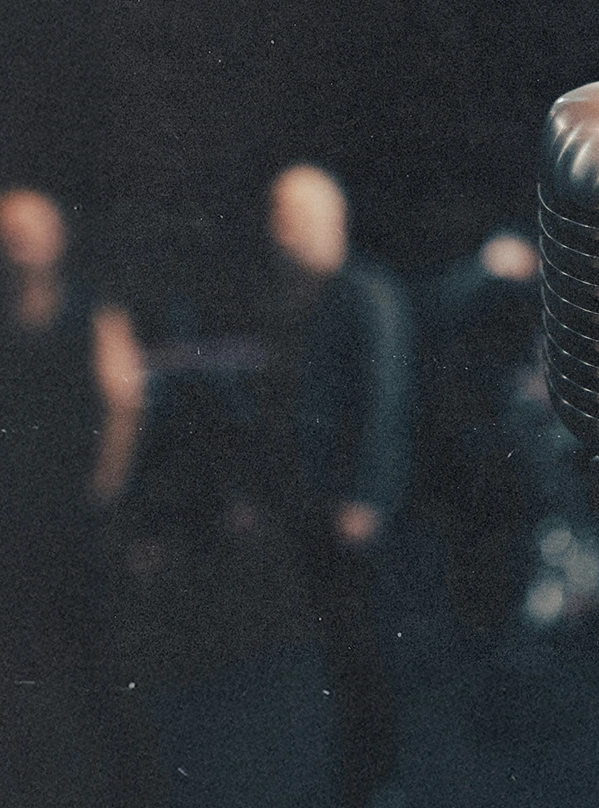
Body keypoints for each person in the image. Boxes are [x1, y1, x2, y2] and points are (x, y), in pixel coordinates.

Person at [0, 185, 147, 805]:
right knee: (8, 680)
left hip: (77, 517)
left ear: (59, 235)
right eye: (8, 229)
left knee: (102, 668)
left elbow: (124, 401)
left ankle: (127, 790)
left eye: (33, 227)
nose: (21, 241)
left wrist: (104, 487)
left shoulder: (95, 309)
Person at [262, 163, 413, 808]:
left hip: (353, 511)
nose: (280, 231)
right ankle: (364, 771)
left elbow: (385, 402)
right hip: (316, 504)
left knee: (367, 649)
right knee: (344, 650)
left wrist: (368, 498)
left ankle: (380, 778)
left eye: (291, 216)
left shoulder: (364, 295)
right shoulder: (305, 299)